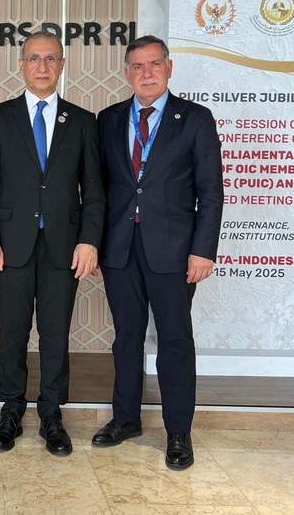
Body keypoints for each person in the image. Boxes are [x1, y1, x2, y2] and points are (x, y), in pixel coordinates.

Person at [94, 35, 223, 470]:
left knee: (174, 341)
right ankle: (126, 419)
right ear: (126, 72)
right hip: (119, 249)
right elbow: (97, 189)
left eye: (154, 64)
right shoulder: (108, 119)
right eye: (137, 66)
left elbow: (211, 192)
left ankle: (178, 432)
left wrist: (203, 250)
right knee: (126, 338)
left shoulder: (196, 119)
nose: (146, 73)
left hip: (175, 252)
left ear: (169, 68)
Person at [0, 31, 104, 457]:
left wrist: (89, 241)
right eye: (34, 58)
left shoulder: (82, 121)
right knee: (12, 332)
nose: (42, 66)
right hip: (10, 246)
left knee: (55, 334)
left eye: (51, 59)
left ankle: (51, 413)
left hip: (64, 248)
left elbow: (94, 191)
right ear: (21, 65)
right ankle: (11, 410)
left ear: (62, 65)